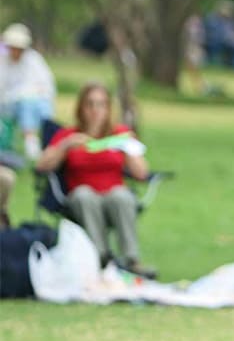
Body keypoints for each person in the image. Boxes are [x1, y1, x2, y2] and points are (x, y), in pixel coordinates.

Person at [35, 82, 155, 278]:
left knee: (121, 196)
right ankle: (101, 258)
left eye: (101, 104)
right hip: (80, 200)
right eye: (89, 104)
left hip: (114, 197)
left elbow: (142, 173)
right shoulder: (68, 135)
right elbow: (41, 166)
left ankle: (131, 261)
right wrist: (65, 146)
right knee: (85, 195)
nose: (95, 110)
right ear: (81, 108)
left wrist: (129, 149)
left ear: (108, 109)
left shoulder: (119, 134)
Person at [0, 23, 56, 160]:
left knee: (29, 105)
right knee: (24, 105)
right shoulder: (3, 62)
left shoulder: (34, 61)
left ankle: (34, 143)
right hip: (9, 105)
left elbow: (46, 87)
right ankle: (27, 144)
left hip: (36, 104)